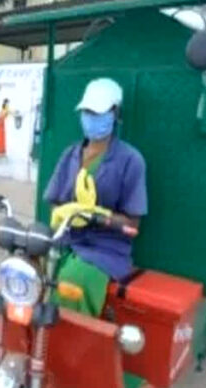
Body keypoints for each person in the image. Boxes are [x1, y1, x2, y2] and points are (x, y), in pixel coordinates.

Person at [44, 78, 147, 317]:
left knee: (73, 282)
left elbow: (133, 224)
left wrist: (97, 215)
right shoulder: (70, 155)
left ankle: (68, 338)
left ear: (115, 113)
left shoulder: (131, 160)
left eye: (98, 113)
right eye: (87, 112)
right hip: (65, 239)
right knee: (24, 268)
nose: (91, 118)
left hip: (105, 250)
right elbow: (53, 201)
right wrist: (65, 212)